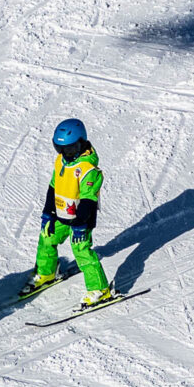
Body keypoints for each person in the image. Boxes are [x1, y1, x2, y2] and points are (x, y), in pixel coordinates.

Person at [21, 118, 115, 306]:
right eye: (61, 149)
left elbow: (88, 200)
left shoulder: (89, 169)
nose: (65, 153)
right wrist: (48, 212)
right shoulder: (61, 161)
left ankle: (100, 289)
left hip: (82, 218)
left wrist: (81, 224)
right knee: (47, 237)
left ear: (81, 143)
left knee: (81, 250)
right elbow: (53, 186)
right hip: (60, 213)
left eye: (70, 149)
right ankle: (47, 272)